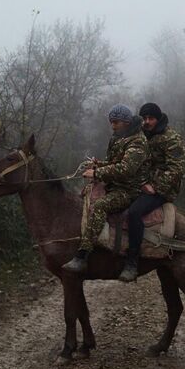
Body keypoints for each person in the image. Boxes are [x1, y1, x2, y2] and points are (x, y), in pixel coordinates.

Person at [62, 104, 150, 274]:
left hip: (128, 190)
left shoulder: (138, 142)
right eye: (111, 122)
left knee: (100, 205)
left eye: (116, 122)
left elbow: (126, 169)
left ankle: (82, 255)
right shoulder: (119, 138)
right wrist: (98, 164)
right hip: (115, 184)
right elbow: (114, 162)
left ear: (126, 122)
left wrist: (96, 173)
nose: (113, 125)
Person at [120, 102, 185, 282]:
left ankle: (132, 261)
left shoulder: (171, 138)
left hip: (162, 189)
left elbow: (176, 169)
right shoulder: (142, 135)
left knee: (135, 212)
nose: (147, 121)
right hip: (142, 184)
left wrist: (155, 188)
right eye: (144, 118)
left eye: (151, 118)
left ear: (158, 119)